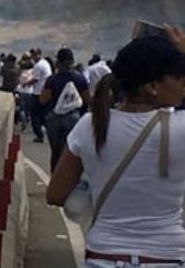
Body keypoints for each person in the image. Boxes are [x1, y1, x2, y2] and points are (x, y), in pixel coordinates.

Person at [47, 31, 185, 267]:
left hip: (104, 256)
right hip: (166, 256)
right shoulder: (179, 128)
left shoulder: (90, 125)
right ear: (152, 86)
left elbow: (56, 194)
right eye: (179, 77)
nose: (184, 85)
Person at [40, 48, 90, 172]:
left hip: (54, 118)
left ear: (58, 62)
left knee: (55, 151)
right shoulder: (80, 79)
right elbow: (87, 99)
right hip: (73, 117)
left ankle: (54, 177)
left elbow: (43, 99)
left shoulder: (52, 80)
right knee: (70, 153)